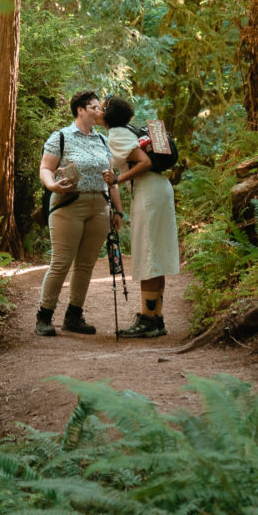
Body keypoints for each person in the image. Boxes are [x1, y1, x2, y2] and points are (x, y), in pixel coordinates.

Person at [35, 90, 124, 337]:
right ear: (80, 109)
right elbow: (46, 167)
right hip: (68, 204)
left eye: (100, 107)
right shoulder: (61, 137)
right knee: (61, 262)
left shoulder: (102, 140)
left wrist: (119, 210)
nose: (99, 111)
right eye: (95, 107)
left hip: (99, 207)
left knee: (85, 264)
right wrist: (51, 185)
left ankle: (74, 315)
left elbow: (112, 180)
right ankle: (44, 316)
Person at [102, 95, 178, 337]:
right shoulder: (130, 130)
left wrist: (117, 179)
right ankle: (157, 318)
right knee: (156, 253)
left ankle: (147, 319)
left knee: (148, 253)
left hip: (148, 194)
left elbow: (143, 162)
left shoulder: (116, 133)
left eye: (100, 107)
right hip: (160, 189)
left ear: (107, 114)